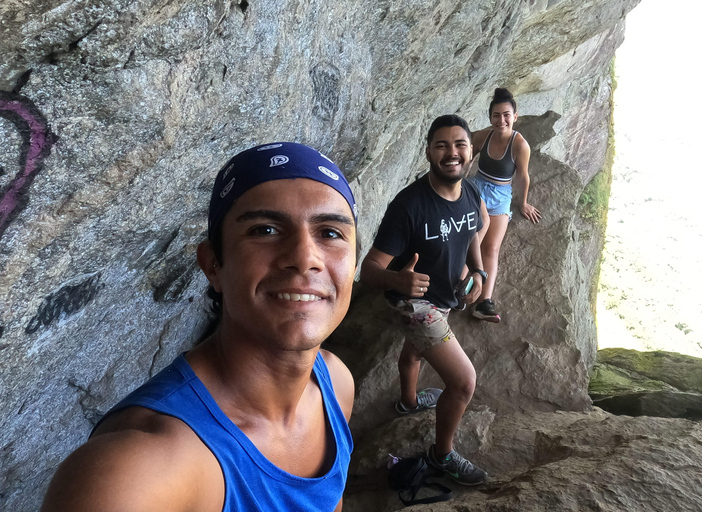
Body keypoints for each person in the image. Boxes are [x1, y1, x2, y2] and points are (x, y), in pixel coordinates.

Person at [41, 143, 358, 512]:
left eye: (331, 233)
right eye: (265, 229)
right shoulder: (138, 467)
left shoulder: (335, 384)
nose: (305, 258)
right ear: (212, 266)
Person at [361, 115, 489, 486]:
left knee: (415, 351)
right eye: (442, 145)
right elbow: (369, 269)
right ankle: (441, 455)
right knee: (464, 382)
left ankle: (409, 402)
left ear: (470, 151)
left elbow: (473, 234)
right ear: (429, 152)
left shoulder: (471, 192)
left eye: (459, 144)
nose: (452, 153)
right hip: (415, 304)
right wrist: (397, 279)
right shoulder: (409, 206)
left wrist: (478, 273)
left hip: (445, 295)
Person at [470, 87, 541, 323]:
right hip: (477, 189)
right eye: (496, 115)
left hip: (501, 194)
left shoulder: (520, 145)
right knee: (472, 238)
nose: (502, 120)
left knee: (491, 248)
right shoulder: (484, 136)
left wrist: (523, 203)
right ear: (490, 117)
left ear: (515, 116)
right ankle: (459, 285)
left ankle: (484, 302)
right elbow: (466, 155)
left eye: (506, 115)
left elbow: (523, 176)